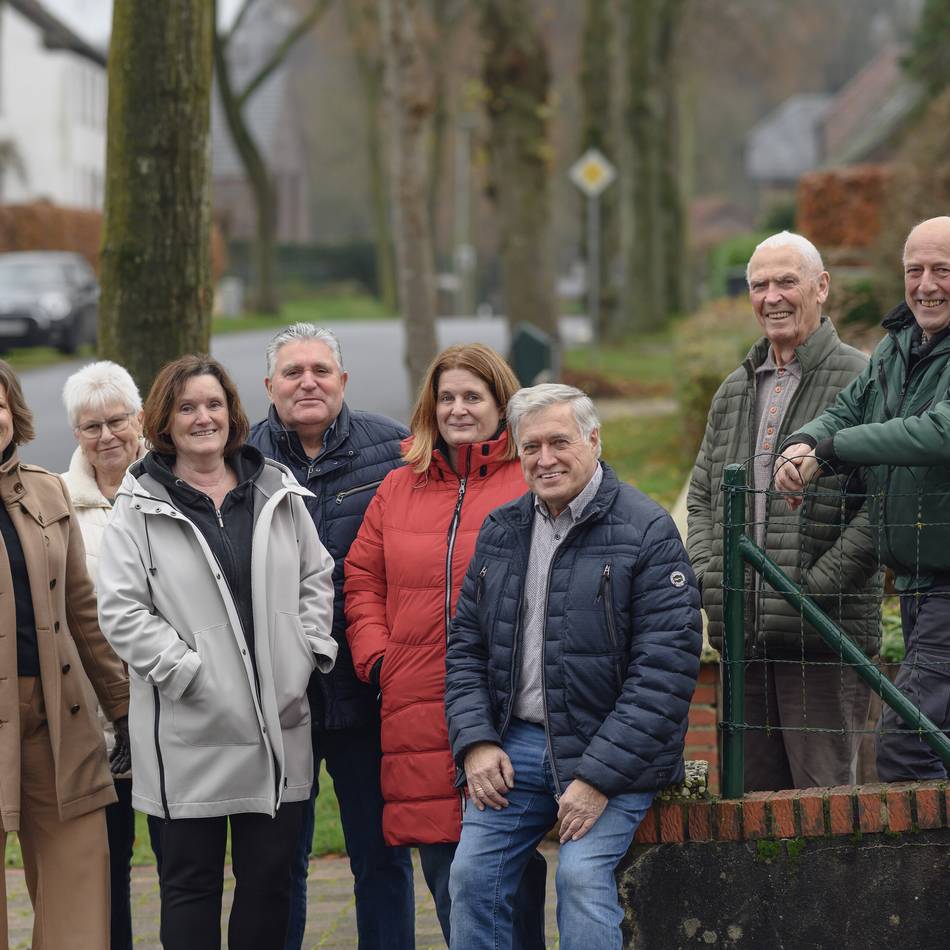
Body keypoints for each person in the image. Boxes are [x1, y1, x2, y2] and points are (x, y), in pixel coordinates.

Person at [444, 383, 702, 950]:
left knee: (580, 877)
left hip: (609, 749)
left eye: (559, 442)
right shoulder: (502, 530)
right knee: (471, 877)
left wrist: (598, 778)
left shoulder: (646, 530)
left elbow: (664, 673)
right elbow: (465, 648)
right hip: (516, 745)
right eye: (531, 447)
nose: (545, 459)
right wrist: (477, 742)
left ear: (593, 440)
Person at [97, 355, 337, 950]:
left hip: (278, 723)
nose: (203, 418)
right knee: (190, 886)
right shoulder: (138, 504)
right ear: (164, 421)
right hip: (189, 729)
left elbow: (316, 576)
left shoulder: (276, 489)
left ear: (232, 413)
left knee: (269, 885)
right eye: (187, 407)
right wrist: (188, 674)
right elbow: (122, 610)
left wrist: (304, 652)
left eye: (213, 404)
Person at [344, 343, 546, 947]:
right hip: (418, 704)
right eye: (447, 397)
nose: (458, 409)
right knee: (444, 865)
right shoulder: (398, 486)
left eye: (473, 397)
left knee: (507, 864)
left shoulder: (529, 479)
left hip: (502, 705)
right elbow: (362, 576)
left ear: (501, 404)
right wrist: (381, 657)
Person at [686, 231, 882, 791]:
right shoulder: (733, 389)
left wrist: (809, 590)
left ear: (821, 287)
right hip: (742, 637)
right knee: (749, 811)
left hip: (822, 639)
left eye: (786, 282)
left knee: (824, 808)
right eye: (759, 285)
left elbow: (883, 505)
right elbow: (701, 496)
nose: (771, 296)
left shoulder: (861, 380)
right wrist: (713, 576)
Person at [247, 324, 414, 950]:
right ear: (270, 386)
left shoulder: (395, 448)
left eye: (320, 370)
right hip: (278, 697)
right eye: (293, 372)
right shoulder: (240, 460)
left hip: (368, 689)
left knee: (382, 855)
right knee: (276, 863)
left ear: (343, 380)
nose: (308, 383)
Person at [776, 216, 950, 783]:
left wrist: (834, 450)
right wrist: (804, 443)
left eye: (942, 270)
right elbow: (848, 408)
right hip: (918, 581)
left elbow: (937, 432)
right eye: (915, 270)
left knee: (906, 748)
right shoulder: (898, 346)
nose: (926, 285)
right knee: (934, 742)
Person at [0, 359, 130, 949]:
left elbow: (82, 612)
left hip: (58, 719)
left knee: (79, 885)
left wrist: (123, 708)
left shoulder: (46, 489)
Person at [61, 360, 146, 950]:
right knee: (108, 866)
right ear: (76, 433)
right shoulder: (57, 501)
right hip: (98, 719)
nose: (107, 436)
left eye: (117, 420)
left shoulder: (173, 483)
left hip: (173, 707)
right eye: (92, 426)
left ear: (139, 419)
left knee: (182, 861)